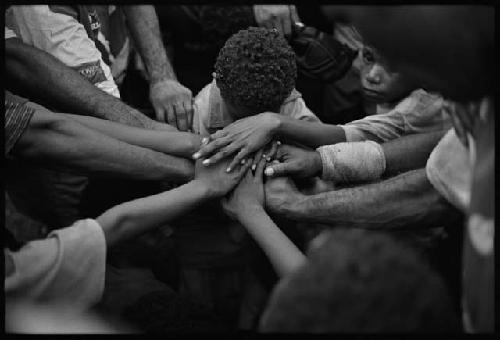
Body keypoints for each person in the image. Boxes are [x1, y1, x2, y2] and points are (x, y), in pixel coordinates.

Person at [194, 42, 450, 171]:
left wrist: (274, 122)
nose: (372, 75)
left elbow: (346, 139)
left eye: (393, 67)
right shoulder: (204, 107)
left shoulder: (420, 108)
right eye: (368, 57)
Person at [6, 5, 193, 130]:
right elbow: (104, 109)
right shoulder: (43, 12)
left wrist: (163, 78)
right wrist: (180, 140)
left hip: (114, 81)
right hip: (68, 122)